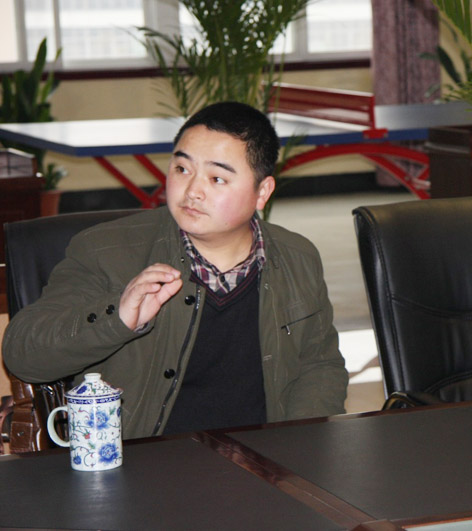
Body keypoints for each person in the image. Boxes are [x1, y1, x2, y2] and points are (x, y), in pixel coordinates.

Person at [2, 101, 348, 438]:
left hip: (262, 460)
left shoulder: (297, 257)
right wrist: (117, 317)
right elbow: (22, 355)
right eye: (182, 169)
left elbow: (319, 366)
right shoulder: (106, 251)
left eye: (217, 178)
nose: (193, 191)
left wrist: (296, 446)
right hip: (143, 462)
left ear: (262, 192)